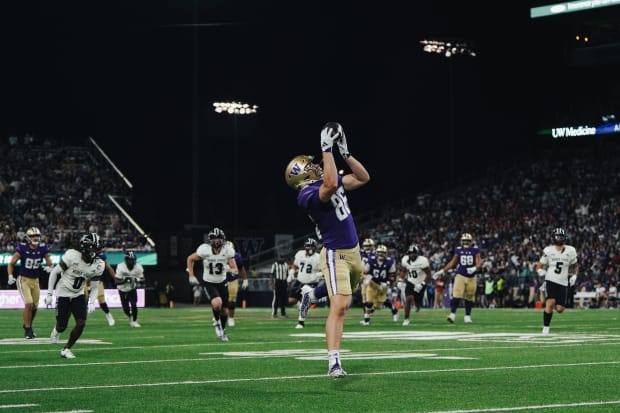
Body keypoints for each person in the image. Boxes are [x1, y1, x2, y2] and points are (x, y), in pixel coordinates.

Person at [284, 121, 370, 378]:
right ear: (303, 175)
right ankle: (333, 362)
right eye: (311, 166)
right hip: (335, 255)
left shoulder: (328, 181)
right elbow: (330, 185)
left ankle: (312, 293)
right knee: (341, 306)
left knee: (344, 297)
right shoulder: (306, 195)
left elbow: (364, 178)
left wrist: (345, 152)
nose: (317, 166)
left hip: (354, 253)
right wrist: (326, 147)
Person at [45, 233, 105, 358]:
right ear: (85, 247)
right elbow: (54, 273)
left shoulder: (99, 265)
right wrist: (49, 293)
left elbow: (94, 287)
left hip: (78, 294)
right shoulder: (72, 255)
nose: (94, 252)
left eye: (96, 249)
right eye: (92, 248)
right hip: (63, 292)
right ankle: (56, 330)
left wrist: (92, 302)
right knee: (62, 326)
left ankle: (66, 349)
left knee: (81, 322)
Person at [186, 227, 238, 341]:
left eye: (218, 238)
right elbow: (190, 258)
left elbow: (235, 269)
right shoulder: (205, 250)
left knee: (224, 311)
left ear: (223, 239)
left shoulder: (227, 250)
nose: (216, 241)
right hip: (209, 282)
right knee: (216, 303)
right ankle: (216, 321)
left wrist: (229, 269)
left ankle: (222, 330)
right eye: (213, 239)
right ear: (210, 240)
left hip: (222, 282)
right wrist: (191, 275)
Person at [7, 227, 53, 339]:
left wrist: (50, 268)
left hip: (35, 280)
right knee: (28, 303)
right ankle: (27, 329)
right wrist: (10, 275)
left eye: (37, 235)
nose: (35, 238)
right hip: (24, 280)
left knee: (35, 307)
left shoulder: (43, 248)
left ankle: (28, 325)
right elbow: (11, 263)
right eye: (33, 236)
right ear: (28, 238)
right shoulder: (22, 248)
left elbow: (50, 264)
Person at [535, 227, 578, 334]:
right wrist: (540, 271)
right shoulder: (548, 250)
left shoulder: (571, 250)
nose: (559, 238)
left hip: (563, 282)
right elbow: (540, 265)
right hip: (551, 279)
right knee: (550, 303)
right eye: (557, 236)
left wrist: (574, 276)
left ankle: (551, 305)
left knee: (560, 309)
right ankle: (546, 327)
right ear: (553, 237)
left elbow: (575, 265)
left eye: (560, 236)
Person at [433, 233, 481, 324]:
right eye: (464, 241)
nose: (466, 242)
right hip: (461, 275)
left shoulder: (475, 250)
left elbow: (478, 262)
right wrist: (442, 271)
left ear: (471, 242)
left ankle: (467, 316)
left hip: (472, 277)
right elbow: (452, 263)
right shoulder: (458, 250)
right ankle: (452, 315)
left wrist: (475, 268)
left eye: (467, 241)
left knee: (469, 297)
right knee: (456, 296)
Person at [288, 238, 323, 328]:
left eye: (312, 246)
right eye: (308, 246)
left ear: (315, 247)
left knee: (305, 301)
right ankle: (302, 308)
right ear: (305, 247)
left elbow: (323, 270)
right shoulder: (300, 254)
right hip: (299, 281)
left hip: (311, 283)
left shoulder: (318, 257)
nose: (310, 248)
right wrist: (291, 273)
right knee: (291, 301)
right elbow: (295, 265)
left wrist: (318, 275)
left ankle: (301, 322)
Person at [360, 244, 398, 325]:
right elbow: (365, 272)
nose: (381, 254)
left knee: (378, 305)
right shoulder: (371, 260)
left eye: (382, 252)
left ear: (386, 253)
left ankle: (394, 310)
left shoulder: (390, 262)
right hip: (373, 284)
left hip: (383, 285)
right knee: (369, 302)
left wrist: (388, 283)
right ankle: (366, 320)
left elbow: (393, 276)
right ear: (376, 253)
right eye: (379, 252)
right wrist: (367, 277)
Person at [399, 244, 431, 326]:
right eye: (410, 253)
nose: (411, 255)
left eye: (413, 253)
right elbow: (403, 270)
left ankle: (417, 305)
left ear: (417, 253)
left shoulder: (422, 261)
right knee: (409, 299)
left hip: (421, 283)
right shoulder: (405, 260)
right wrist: (400, 279)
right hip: (410, 282)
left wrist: (422, 284)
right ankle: (406, 319)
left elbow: (428, 274)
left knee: (417, 303)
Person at [84, 252, 116, 327]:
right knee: (83, 299)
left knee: (101, 299)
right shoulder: (83, 253)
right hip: (85, 279)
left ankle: (108, 315)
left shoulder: (100, 256)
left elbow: (108, 267)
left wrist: (115, 278)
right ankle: (82, 319)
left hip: (96, 279)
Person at [115, 251, 145, 327]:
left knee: (134, 304)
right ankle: (130, 316)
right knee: (125, 308)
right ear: (126, 260)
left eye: (132, 260)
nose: (131, 261)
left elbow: (143, 279)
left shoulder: (138, 267)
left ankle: (134, 320)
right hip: (122, 289)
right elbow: (117, 281)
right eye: (129, 259)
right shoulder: (121, 267)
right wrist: (125, 280)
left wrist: (137, 280)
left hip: (132, 288)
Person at [225, 247, 249, 327]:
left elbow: (241, 268)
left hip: (232, 280)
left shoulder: (236, 256)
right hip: (220, 280)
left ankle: (231, 318)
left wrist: (245, 279)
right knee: (220, 300)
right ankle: (218, 316)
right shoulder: (218, 255)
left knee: (231, 300)